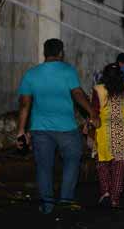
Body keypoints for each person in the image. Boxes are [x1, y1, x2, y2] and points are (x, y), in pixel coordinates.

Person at [17, 39, 100, 213]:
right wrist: (92, 113)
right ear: (61, 53)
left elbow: (25, 104)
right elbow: (77, 93)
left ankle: (47, 205)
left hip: (40, 129)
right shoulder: (67, 71)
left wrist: (21, 131)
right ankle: (66, 200)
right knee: (72, 161)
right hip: (66, 128)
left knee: (43, 167)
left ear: (44, 53)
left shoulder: (31, 74)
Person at [90, 63, 124, 208]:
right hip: (123, 129)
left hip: (104, 130)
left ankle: (105, 192)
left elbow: (94, 111)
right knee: (120, 165)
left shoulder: (98, 89)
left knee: (102, 162)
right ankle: (115, 198)